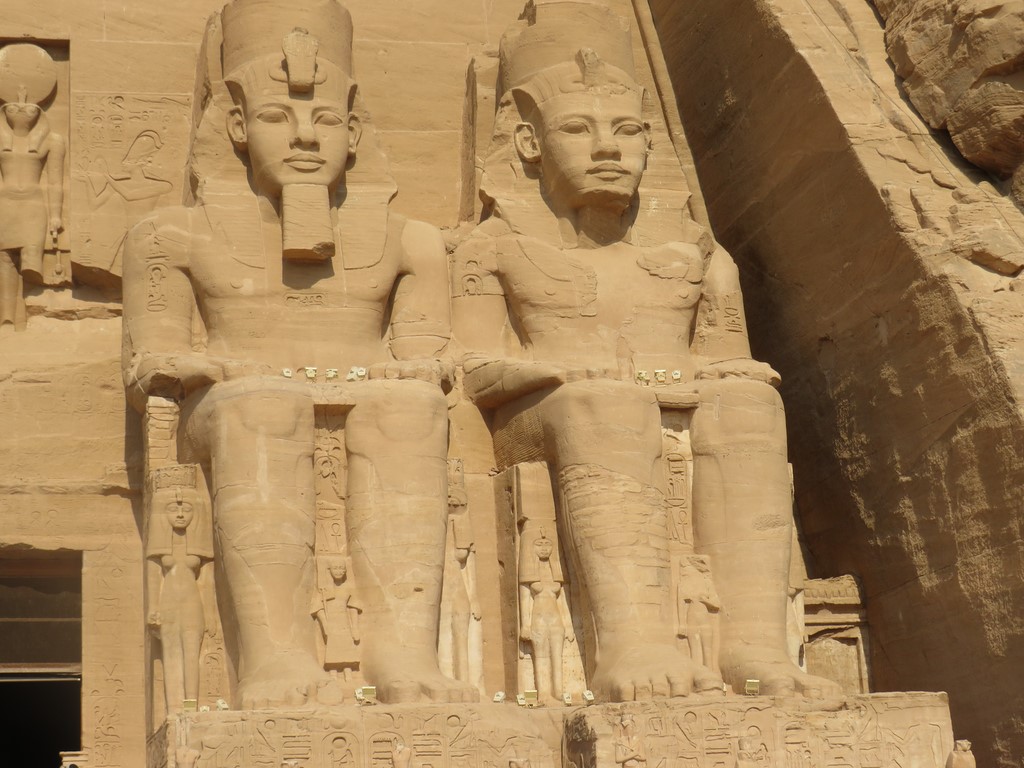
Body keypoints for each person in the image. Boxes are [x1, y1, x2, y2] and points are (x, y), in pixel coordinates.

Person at [457, 1, 841, 700]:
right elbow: (473, 369)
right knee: (606, 404)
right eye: (578, 128)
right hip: (546, 416)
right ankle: (632, 646)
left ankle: (754, 651)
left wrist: (728, 375)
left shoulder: (697, 252)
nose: (608, 149)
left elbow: (729, 358)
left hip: (658, 399)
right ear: (529, 143)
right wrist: (556, 371)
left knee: (748, 406)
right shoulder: (493, 245)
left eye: (627, 129)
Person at [123, 0, 471, 707]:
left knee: (408, 410)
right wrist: (211, 366)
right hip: (228, 413)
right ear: (238, 126)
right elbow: (150, 361)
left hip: (363, 395)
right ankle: (275, 659)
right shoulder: (169, 236)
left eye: (327, 120)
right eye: (280, 116)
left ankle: (404, 655)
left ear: (355, 132)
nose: (307, 136)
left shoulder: (410, 240)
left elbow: (428, 359)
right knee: (264, 407)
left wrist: (411, 371)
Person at [0, 43, 65, 332]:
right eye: (14, 107)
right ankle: (8, 319)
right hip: (4, 203)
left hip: (34, 206)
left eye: (28, 108)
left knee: (30, 264)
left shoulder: (52, 141)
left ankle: (31, 317)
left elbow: (55, 181)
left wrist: (56, 216)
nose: (21, 108)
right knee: (4, 259)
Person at [145, 465, 213, 713]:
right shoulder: (160, 548)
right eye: (174, 509)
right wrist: (153, 608)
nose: (181, 514)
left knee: (192, 653)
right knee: (171, 653)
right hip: (168, 601)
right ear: (163, 514)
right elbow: (154, 576)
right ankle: (174, 708)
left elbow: (209, 584)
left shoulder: (198, 548)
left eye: (187, 509)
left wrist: (212, 615)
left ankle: (191, 705)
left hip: (193, 602)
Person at [518, 528, 574, 704]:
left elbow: (564, 603)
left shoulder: (556, 575)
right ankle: (543, 694)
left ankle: (559, 692)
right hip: (538, 619)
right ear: (531, 548)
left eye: (547, 544)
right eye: (539, 544)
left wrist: (569, 625)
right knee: (541, 657)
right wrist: (525, 625)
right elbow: (525, 601)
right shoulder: (529, 575)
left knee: (557, 657)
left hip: (556, 620)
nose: (544, 548)